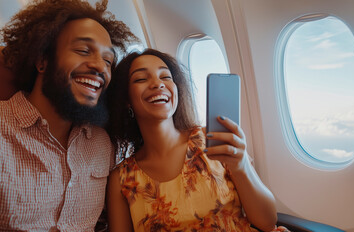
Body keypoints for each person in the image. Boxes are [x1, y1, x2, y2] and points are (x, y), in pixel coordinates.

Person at [0, 0, 137, 231]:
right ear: (42, 60)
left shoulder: (103, 144)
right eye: (83, 50)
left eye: (108, 60)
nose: (99, 67)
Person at [106, 49, 288, 231]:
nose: (158, 84)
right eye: (141, 79)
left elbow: (267, 221)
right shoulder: (122, 180)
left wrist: (241, 166)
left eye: (166, 77)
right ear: (126, 100)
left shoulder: (212, 139)